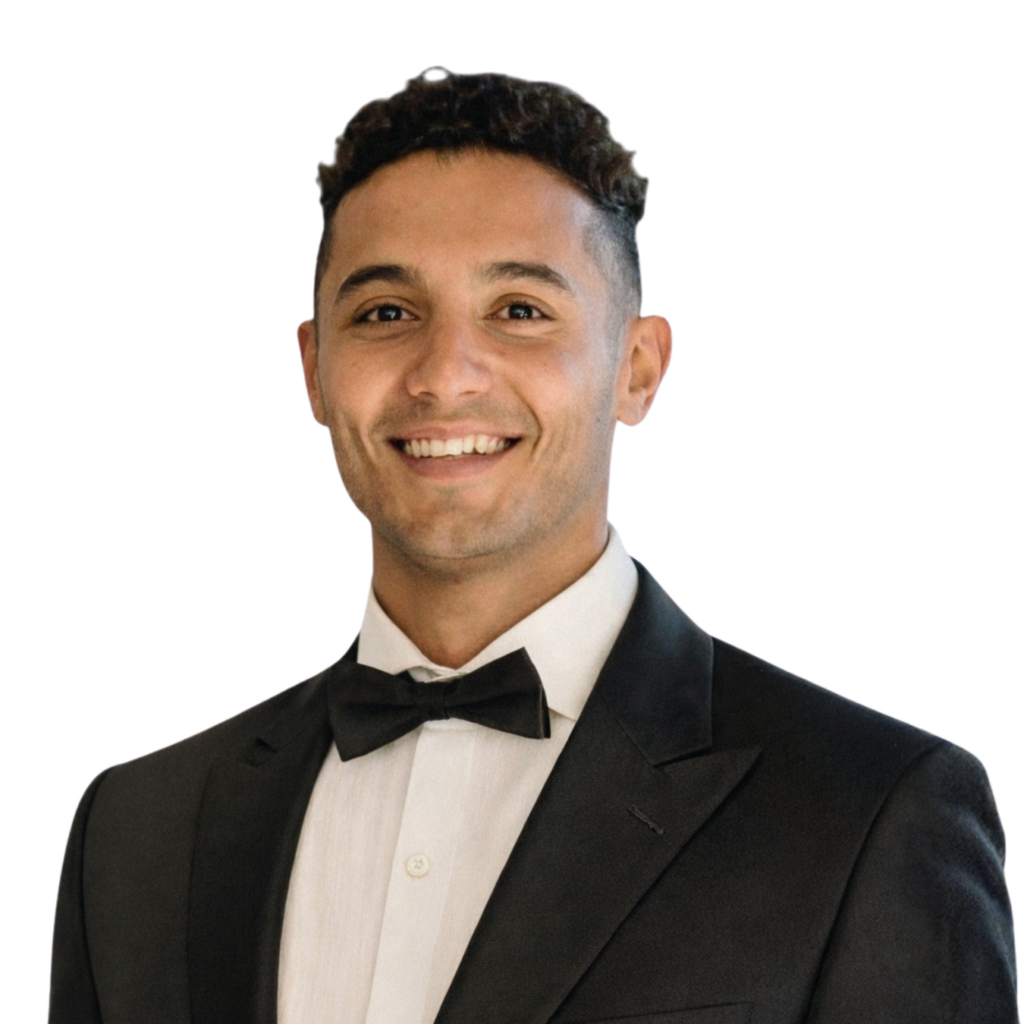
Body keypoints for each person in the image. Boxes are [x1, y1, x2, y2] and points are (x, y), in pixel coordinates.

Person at [48, 69, 1018, 1024]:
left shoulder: (867, 808)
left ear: (637, 371)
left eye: (519, 310)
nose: (444, 376)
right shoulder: (133, 829)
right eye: (386, 314)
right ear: (314, 373)